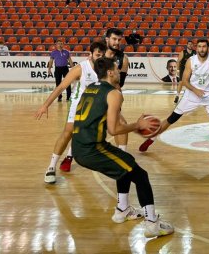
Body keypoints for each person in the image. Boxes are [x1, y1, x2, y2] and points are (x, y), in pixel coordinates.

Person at [72, 56, 174, 238]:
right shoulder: (113, 93)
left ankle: (122, 209)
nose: (120, 72)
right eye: (117, 69)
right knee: (141, 176)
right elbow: (114, 129)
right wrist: (138, 125)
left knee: (126, 164)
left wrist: (136, 126)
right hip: (92, 149)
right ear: (110, 72)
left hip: (80, 146)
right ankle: (152, 223)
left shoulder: (90, 88)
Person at [139, 39, 209, 155]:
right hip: (191, 94)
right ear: (197, 48)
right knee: (172, 118)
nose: (201, 49)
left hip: (208, 94)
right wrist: (196, 90)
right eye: (199, 46)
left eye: (204, 46)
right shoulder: (191, 61)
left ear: (208, 48)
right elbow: (184, 80)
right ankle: (151, 139)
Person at [35, 41, 105, 183]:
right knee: (68, 132)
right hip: (78, 104)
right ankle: (51, 167)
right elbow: (61, 86)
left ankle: (69, 157)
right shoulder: (81, 68)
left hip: (95, 106)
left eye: (102, 54)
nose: (100, 57)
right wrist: (46, 105)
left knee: (84, 134)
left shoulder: (106, 68)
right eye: (97, 54)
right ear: (90, 54)